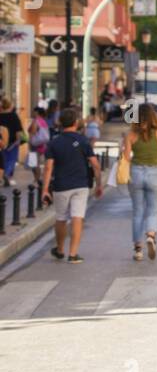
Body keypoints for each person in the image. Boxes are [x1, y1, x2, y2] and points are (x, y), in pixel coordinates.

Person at [42, 106, 103, 263]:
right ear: (76, 123)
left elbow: (48, 167)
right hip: (81, 185)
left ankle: (60, 249)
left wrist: (44, 190)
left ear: (61, 123)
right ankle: (73, 254)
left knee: (61, 218)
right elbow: (95, 164)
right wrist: (99, 184)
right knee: (78, 217)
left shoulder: (54, 143)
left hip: (61, 185)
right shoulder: (83, 141)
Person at [121, 102, 157, 261]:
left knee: (137, 211)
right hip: (155, 172)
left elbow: (127, 158)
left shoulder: (131, 135)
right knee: (152, 210)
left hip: (136, 172)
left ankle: (137, 249)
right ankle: (150, 235)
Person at [0, 95, 24, 185]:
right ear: (10, 105)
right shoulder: (14, 116)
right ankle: (6, 174)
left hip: (2, 142)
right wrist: (19, 140)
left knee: (3, 159)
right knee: (11, 160)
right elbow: (18, 130)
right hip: (13, 142)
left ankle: (3, 175)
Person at [28, 105, 51, 185]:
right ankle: (38, 178)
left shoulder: (36, 120)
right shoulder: (43, 121)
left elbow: (33, 132)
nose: (33, 113)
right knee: (36, 162)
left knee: (34, 163)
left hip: (35, 144)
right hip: (43, 144)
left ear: (37, 112)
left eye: (34, 111)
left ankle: (37, 179)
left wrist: (30, 141)